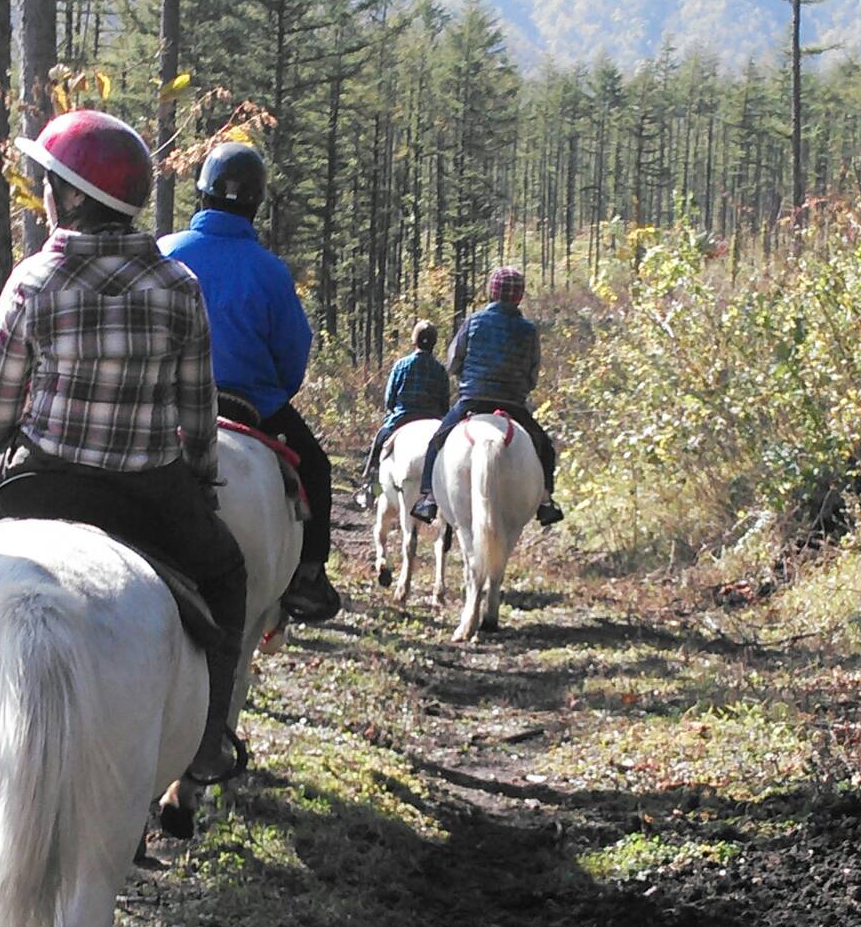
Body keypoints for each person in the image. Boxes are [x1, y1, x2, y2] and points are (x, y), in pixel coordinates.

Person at [0, 109, 247, 784]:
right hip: (150, 487)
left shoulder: (32, 280)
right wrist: (200, 481)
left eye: (52, 183)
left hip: (39, 476)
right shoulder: (179, 286)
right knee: (228, 577)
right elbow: (197, 414)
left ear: (74, 198)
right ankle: (206, 745)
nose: (47, 194)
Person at [159, 141, 340, 623]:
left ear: (202, 195)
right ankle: (308, 578)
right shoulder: (270, 271)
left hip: (166, 403)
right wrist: (271, 394)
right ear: (256, 204)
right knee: (317, 470)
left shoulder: (165, 253)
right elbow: (292, 353)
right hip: (248, 404)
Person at [409, 266, 564, 527]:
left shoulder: (474, 321)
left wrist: (467, 378)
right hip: (513, 404)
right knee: (545, 447)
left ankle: (429, 497)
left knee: (437, 440)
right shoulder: (528, 330)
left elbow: (454, 362)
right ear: (519, 296)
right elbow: (532, 374)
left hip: (473, 399)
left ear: (491, 292)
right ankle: (546, 501)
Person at [354, 319, 450, 509]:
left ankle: (371, 486)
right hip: (433, 419)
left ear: (414, 340)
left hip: (402, 418)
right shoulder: (440, 370)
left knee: (380, 440)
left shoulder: (402, 365)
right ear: (434, 342)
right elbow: (444, 403)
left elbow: (390, 399)